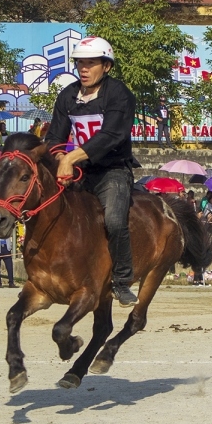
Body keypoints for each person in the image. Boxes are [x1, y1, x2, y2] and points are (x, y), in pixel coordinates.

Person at [43, 36, 141, 307]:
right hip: (82, 172)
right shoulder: (67, 95)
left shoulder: (119, 94)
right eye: (80, 64)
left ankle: (122, 282)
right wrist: (61, 157)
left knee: (113, 221)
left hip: (113, 170)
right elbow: (53, 137)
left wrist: (71, 157)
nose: (83, 69)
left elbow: (112, 135)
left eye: (90, 63)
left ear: (106, 66)